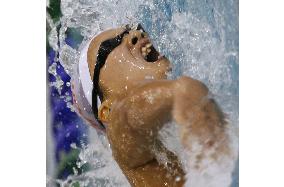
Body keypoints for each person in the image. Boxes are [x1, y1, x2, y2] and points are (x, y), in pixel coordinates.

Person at [72, 24, 234, 187]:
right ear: (106, 110)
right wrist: (186, 94)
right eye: (111, 44)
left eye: (132, 28)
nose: (135, 34)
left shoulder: (165, 155)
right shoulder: (120, 135)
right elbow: (129, 113)